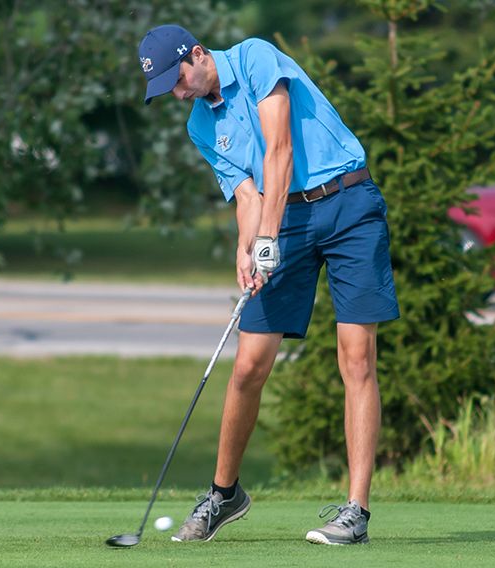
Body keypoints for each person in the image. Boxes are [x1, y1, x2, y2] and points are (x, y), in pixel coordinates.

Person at [137, 24, 399, 546]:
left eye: (178, 77)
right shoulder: (199, 127)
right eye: (168, 87)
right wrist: (248, 247)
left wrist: (267, 240)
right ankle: (224, 493)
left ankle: (356, 512)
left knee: (356, 357)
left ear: (199, 53)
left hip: (349, 203)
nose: (178, 91)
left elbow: (279, 151)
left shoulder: (256, 58)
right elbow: (248, 194)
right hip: (286, 222)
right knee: (249, 364)